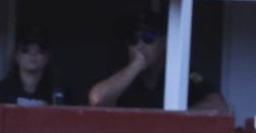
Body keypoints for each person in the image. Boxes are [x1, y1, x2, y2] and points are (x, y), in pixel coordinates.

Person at [87, 11, 228, 113]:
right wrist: (136, 65)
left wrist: (173, 118)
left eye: (148, 37)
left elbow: (219, 107)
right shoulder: (122, 76)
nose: (140, 45)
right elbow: (98, 100)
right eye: (133, 39)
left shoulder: (183, 74)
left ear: (165, 42)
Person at [0, 26, 71, 107]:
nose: (33, 54)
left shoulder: (61, 94)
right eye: (25, 50)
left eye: (40, 51)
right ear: (16, 56)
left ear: (47, 58)